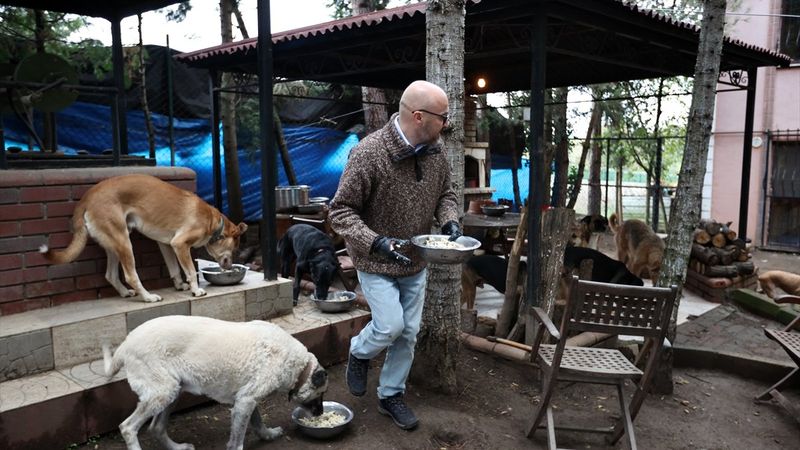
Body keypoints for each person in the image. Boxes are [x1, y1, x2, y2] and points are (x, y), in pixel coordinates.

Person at [328, 80, 462, 430]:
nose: (447, 123)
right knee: (390, 325)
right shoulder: (369, 153)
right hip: (375, 259)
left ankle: (390, 395)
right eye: (443, 117)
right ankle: (359, 351)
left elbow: (446, 195)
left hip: (415, 261)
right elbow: (340, 211)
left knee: (408, 333)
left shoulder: (436, 151)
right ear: (419, 116)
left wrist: (449, 221)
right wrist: (375, 241)